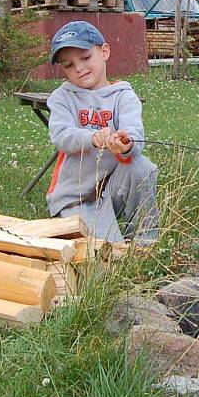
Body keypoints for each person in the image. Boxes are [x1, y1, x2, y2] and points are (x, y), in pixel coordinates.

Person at [45, 20, 159, 244]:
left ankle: (146, 242)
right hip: (74, 197)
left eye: (85, 58)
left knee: (142, 166)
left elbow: (134, 133)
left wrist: (126, 144)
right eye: (68, 65)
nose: (78, 68)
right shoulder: (62, 98)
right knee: (103, 250)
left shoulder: (123, 95)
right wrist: (91, 138)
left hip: (111, 190)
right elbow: (61, 135)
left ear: (104, 51)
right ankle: (107, 233)